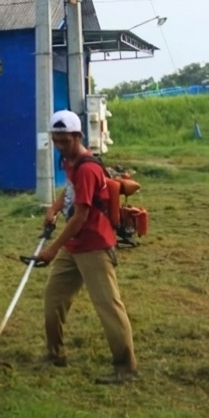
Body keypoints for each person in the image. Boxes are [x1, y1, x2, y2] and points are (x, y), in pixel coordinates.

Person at [35, 109, 139, 385]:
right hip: (74, 244)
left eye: (65, 141)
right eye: (56, 141)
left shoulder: (89, 168)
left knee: (108, 305)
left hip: (94, 245)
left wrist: (53, 248)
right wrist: (54, 207)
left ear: (78, 136)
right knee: (54, 299)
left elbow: (81, 215)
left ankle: (125, 367)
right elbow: (69, 190)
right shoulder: (70, 163)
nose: (60, 146)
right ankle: (55, 354)